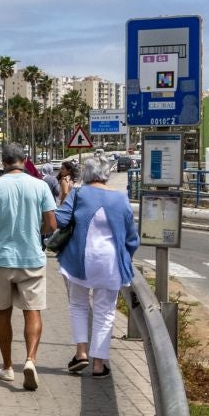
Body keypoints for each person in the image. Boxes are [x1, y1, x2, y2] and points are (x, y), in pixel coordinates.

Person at [0, 141, 57, 389]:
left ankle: (8, 367)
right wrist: (36, 233)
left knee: (3, 312)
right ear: (24, 160)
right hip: (32, 257)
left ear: (3, 162)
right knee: (32, 311)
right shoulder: (40, 186)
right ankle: (30, 360)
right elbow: (52, 224)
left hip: (1, 258)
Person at [55, 154, 140, 377]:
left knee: (78, 306)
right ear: (106, 175)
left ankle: (81, 353)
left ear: (86, 174)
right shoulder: (121, 198)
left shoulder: (79, 193)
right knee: (105, 311)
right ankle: (99, 364)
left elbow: (60, 220)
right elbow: (132, 237)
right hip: (110, 263)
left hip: (78, 261)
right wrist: (126, 256)